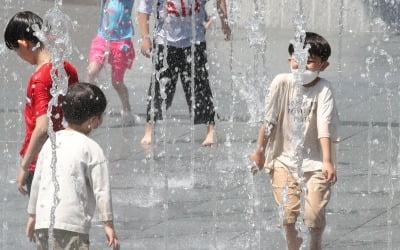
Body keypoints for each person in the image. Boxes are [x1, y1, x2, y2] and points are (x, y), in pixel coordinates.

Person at [250, 32, 339, 250]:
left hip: (316, 163)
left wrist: (327, 160)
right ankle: (293, 246)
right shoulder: (281, 82)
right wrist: (259, 151)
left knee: (313, 213)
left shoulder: (324, 89)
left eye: (309, 62)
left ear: (323, 66)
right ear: (290, 59)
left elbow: (323, 125)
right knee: (288, 212)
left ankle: (315, 244)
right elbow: (269, 120)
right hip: (282, 158)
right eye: (298, 59)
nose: (302, 66)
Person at [26, 82, 120, 250]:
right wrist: (108, 223)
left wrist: (33, 215)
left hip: (44, 223)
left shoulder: (51, 142)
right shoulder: (92, 148)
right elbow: (102, 189)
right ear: (93, 120)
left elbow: (37, 181)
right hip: (72, 227)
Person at [3, 11, 79, 196]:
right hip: (65, 155)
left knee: (39, 218)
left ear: (24, 43)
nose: (20, 56)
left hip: (40, 161)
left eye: (16, 50)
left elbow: (42, 127)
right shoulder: (66, 68)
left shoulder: (39, 79)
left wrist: (24, 166)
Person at [137, 0, 231, 146]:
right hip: (165, 41)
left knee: (201, 87)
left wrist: (224, 23)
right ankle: (149, 129)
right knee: (159, 87)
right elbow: (144, 7)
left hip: (195, 40)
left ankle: (211, 130)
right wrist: (145, 37)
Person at [87, 0, 137, 127]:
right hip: (102, 38)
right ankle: (89, 105)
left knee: (117, 82)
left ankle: (127, 109)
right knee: (91, 72)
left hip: (121, 42)